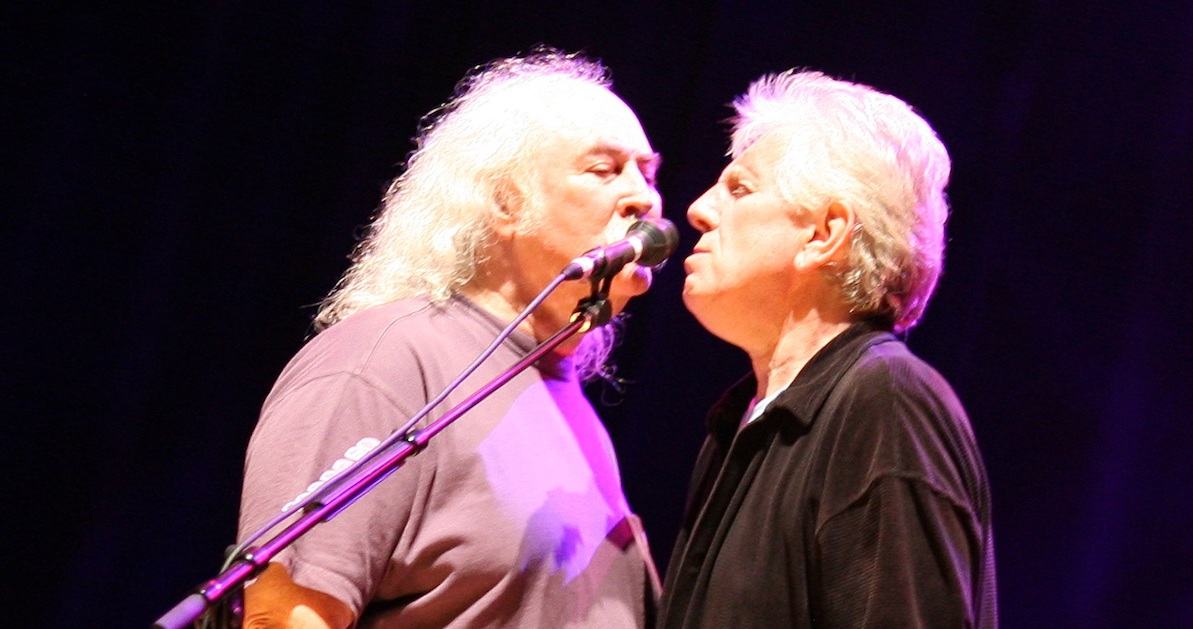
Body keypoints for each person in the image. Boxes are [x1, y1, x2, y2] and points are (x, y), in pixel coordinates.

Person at [236, 49, 665, 629]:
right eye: (604, 170)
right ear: (506, 203)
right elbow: (283, 616)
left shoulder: (563, 398)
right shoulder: (385, 360)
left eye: (648, 172)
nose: (645, 198)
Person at [657, 70, 998, 628]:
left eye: (739, 189)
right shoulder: (742, 422)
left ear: (825, 233)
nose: (697, 209)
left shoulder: (886, 404)